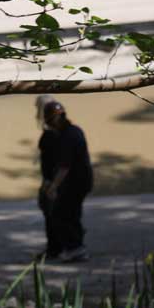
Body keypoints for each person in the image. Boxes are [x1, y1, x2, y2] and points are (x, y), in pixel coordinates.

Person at [42, 101, 93, 262]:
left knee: (61, 213)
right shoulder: (74, 131)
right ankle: (74, 247)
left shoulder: (67, 136)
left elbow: (64, 166)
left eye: (51, 120)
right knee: (72, 213)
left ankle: (75, 248)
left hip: (75, 182)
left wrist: (53, 186)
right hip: (82, 181)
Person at [35, 95, 60, 258]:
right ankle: (55, 247)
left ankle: (55, 248)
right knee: (51, 213)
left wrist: (51, 184)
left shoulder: (51, 135)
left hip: (53, 181)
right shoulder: (54, 133)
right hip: (51, 180)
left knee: (52, 214)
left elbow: (57, 162)